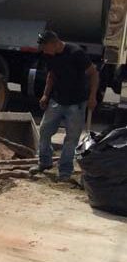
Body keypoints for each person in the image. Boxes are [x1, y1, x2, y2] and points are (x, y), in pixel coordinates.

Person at [33, 29, 99, 181]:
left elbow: (93, 73)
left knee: (71, 139)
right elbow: (51, 75)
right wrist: (45, 95)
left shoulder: (76, 53)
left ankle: (64, 172)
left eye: (45, 47)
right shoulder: (49, 55)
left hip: (76, 103)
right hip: (56, 100)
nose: (43, 51)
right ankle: (45, 162)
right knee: (44, 131)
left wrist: (92, 96)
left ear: (54, 44)